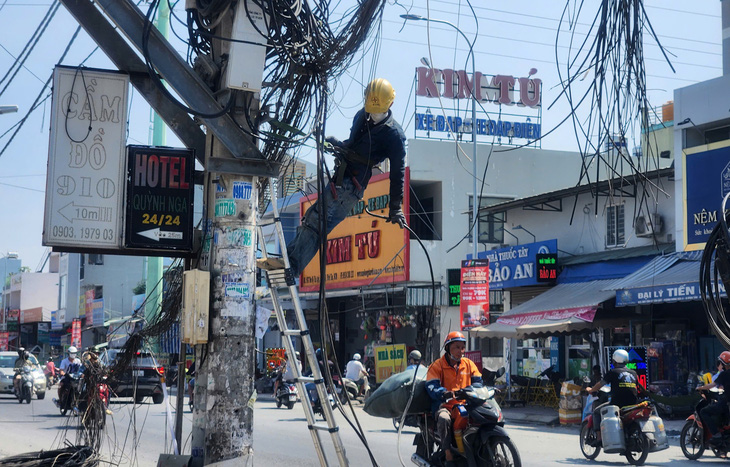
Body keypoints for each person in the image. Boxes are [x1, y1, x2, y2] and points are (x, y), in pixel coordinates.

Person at [257, 78, 407, 276]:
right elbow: (354, 144)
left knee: (317, 220)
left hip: (352, 185)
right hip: (342, 177)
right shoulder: (362, 116)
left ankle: (292, 266)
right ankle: (290, 261)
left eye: (377, 111)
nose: (373, 114)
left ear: (390, 105)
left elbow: (398, 173)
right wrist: (337, 144)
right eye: (370, 109)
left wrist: (396, 207)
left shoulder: (395, 135)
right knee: (314, 219)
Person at [425, 332, 483, 466]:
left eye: (462, 347)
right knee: (444, 419)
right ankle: (448, 453)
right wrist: (443, 393)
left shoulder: (469, 364)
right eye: (457, 347)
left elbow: (478, 382)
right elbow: (431, 386)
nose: (460, 351)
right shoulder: (437, 365)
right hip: (446, 406)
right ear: (448, 347)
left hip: (466, 404)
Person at [588, 349, 642, 438]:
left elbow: (601, 384)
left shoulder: (613, 372)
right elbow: (636, 387)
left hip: (617, 403)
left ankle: (598, 437)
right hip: (633, 404)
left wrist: (591, 390)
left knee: (597, 412)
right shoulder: (633, 373)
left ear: (615, 360)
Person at [696, 351, 730, 444]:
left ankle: (716, 434)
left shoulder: (724, 374)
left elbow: (712, 385)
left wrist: (700, 388)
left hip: (726, 404)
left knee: (704, 411)